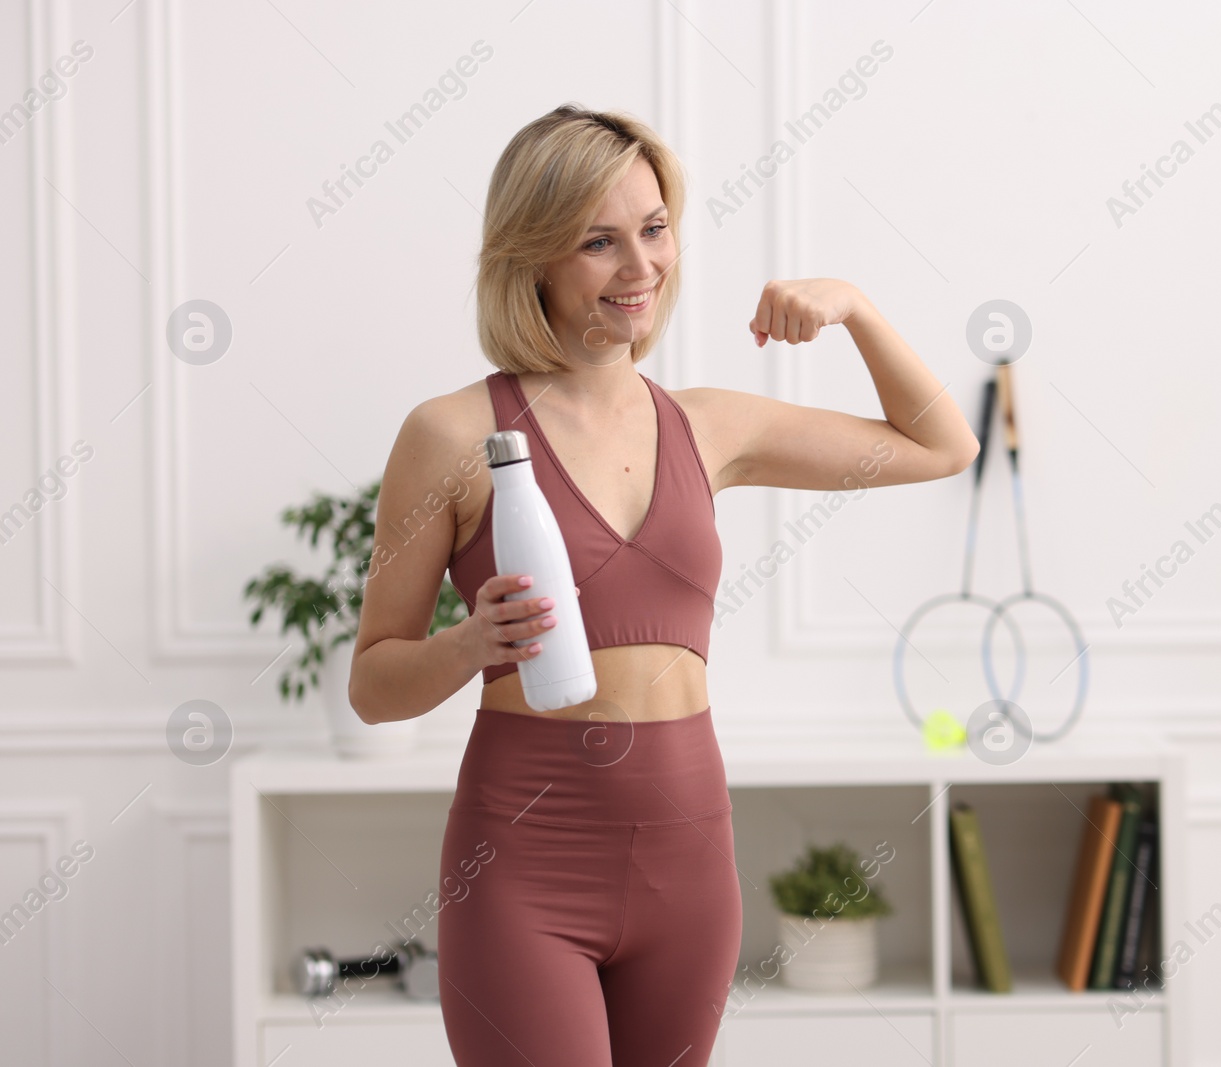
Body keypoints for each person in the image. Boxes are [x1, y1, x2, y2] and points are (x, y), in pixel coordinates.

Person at [347, 103, 979, 1067]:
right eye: (599, 241)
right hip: (525, 861)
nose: (641, 267)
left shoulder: (709, 424)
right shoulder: (450, 436)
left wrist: (853, 305)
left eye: (654, 228)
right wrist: (466, 645)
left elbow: (941, 445)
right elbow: (373, 681)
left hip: (692, 858)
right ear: (535, 259)